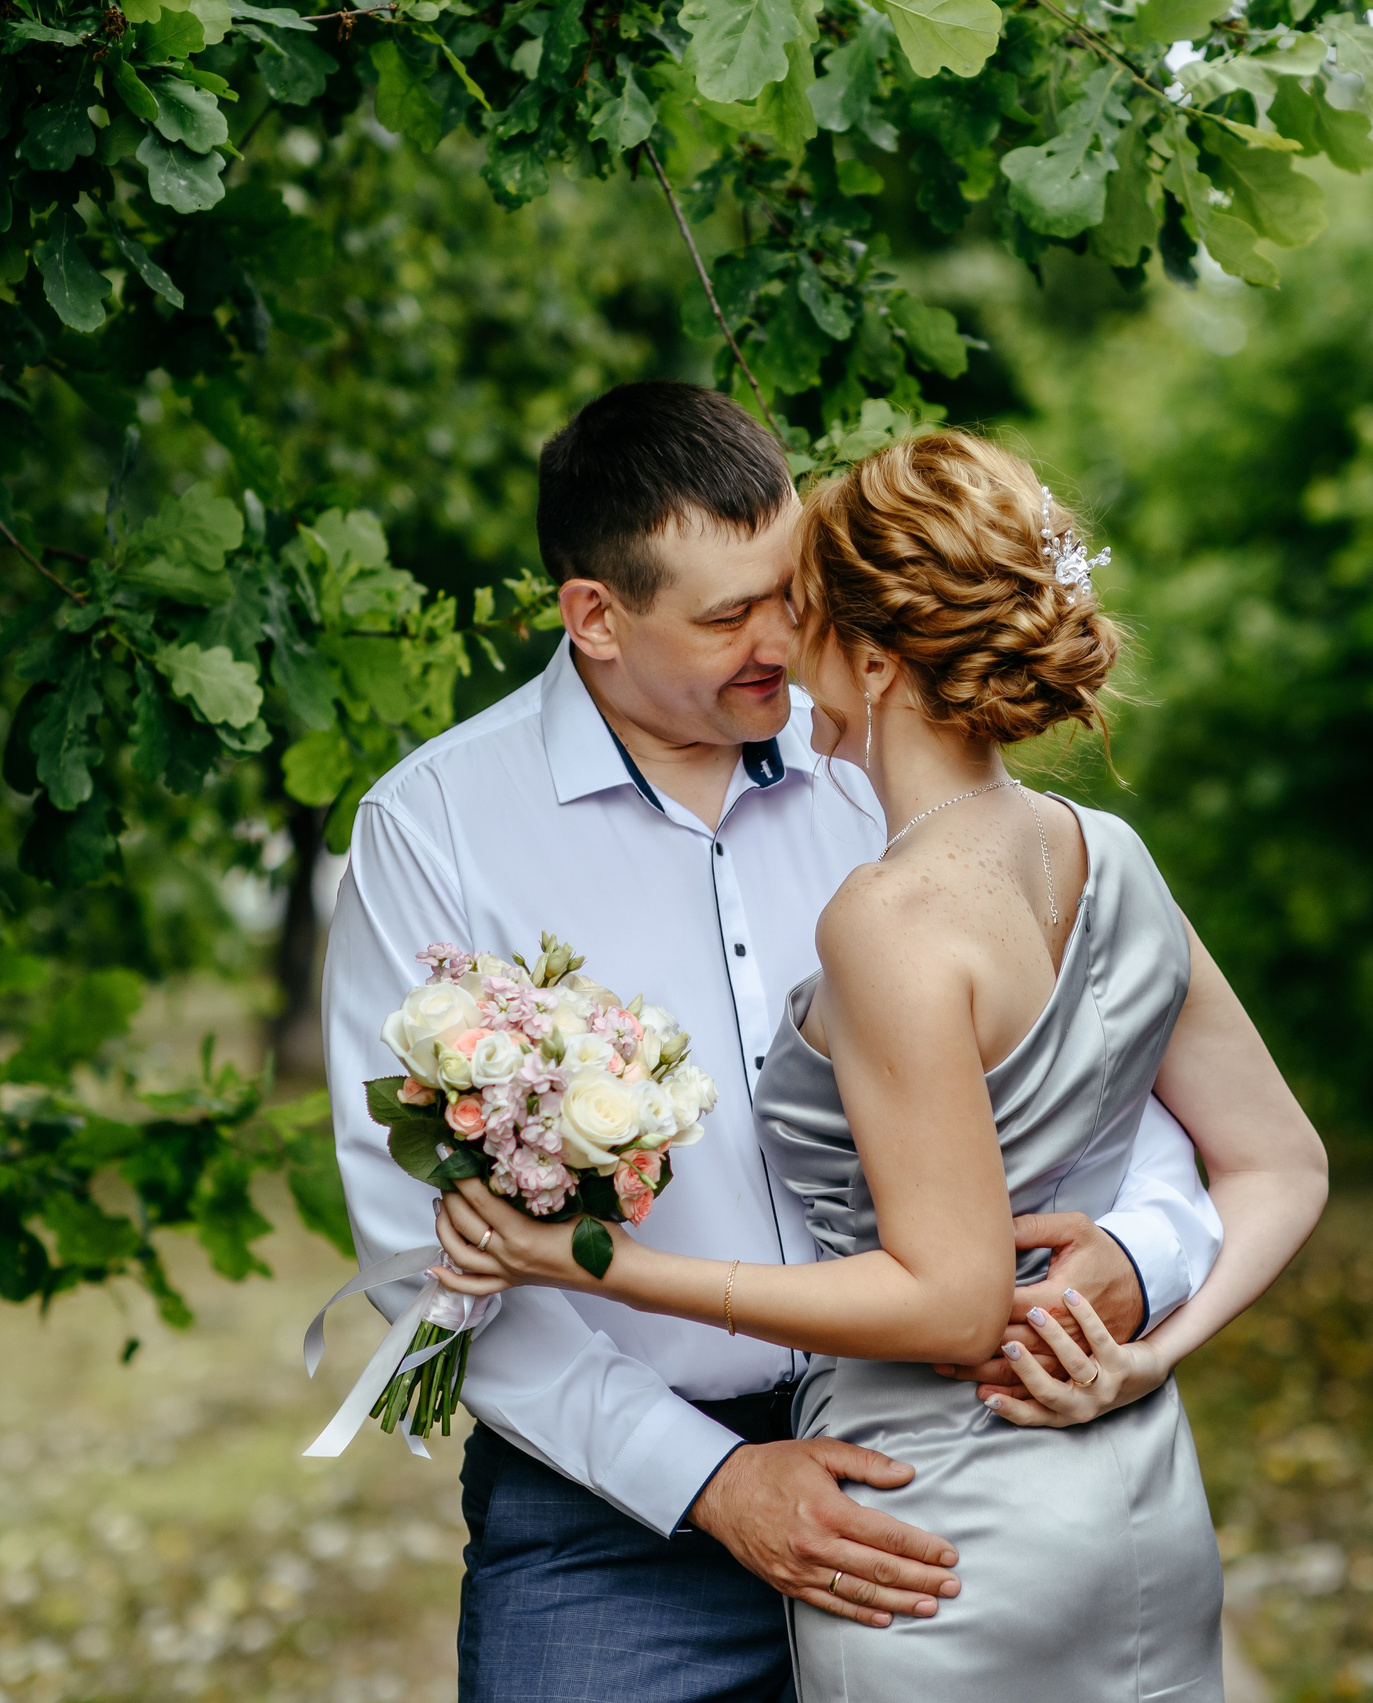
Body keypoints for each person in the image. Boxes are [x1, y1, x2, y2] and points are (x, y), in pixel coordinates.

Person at [321, 384, 1231, 1703]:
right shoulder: (435, 829)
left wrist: (1142, 1259)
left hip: (953, 1455)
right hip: (615, 1516)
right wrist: (713, 1480)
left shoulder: (884, 743)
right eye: (725, 615)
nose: (782, 640)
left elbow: (1103, 1064)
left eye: (788, 589)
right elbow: (426, 1251)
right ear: (595, 617)